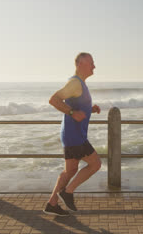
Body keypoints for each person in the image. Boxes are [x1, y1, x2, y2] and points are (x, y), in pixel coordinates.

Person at [43, 52, 102, 216]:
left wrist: (90, 109)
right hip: (75, 136)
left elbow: (77, 105)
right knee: (95, 164)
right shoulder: (75, 83)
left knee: (69, 171)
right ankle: (67, 193)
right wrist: (71, 112)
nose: (94, 66)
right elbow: (54, 99)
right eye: (91, 63)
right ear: (80, 64)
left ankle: (52, 203)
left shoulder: (80, 83)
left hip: (71, 135)